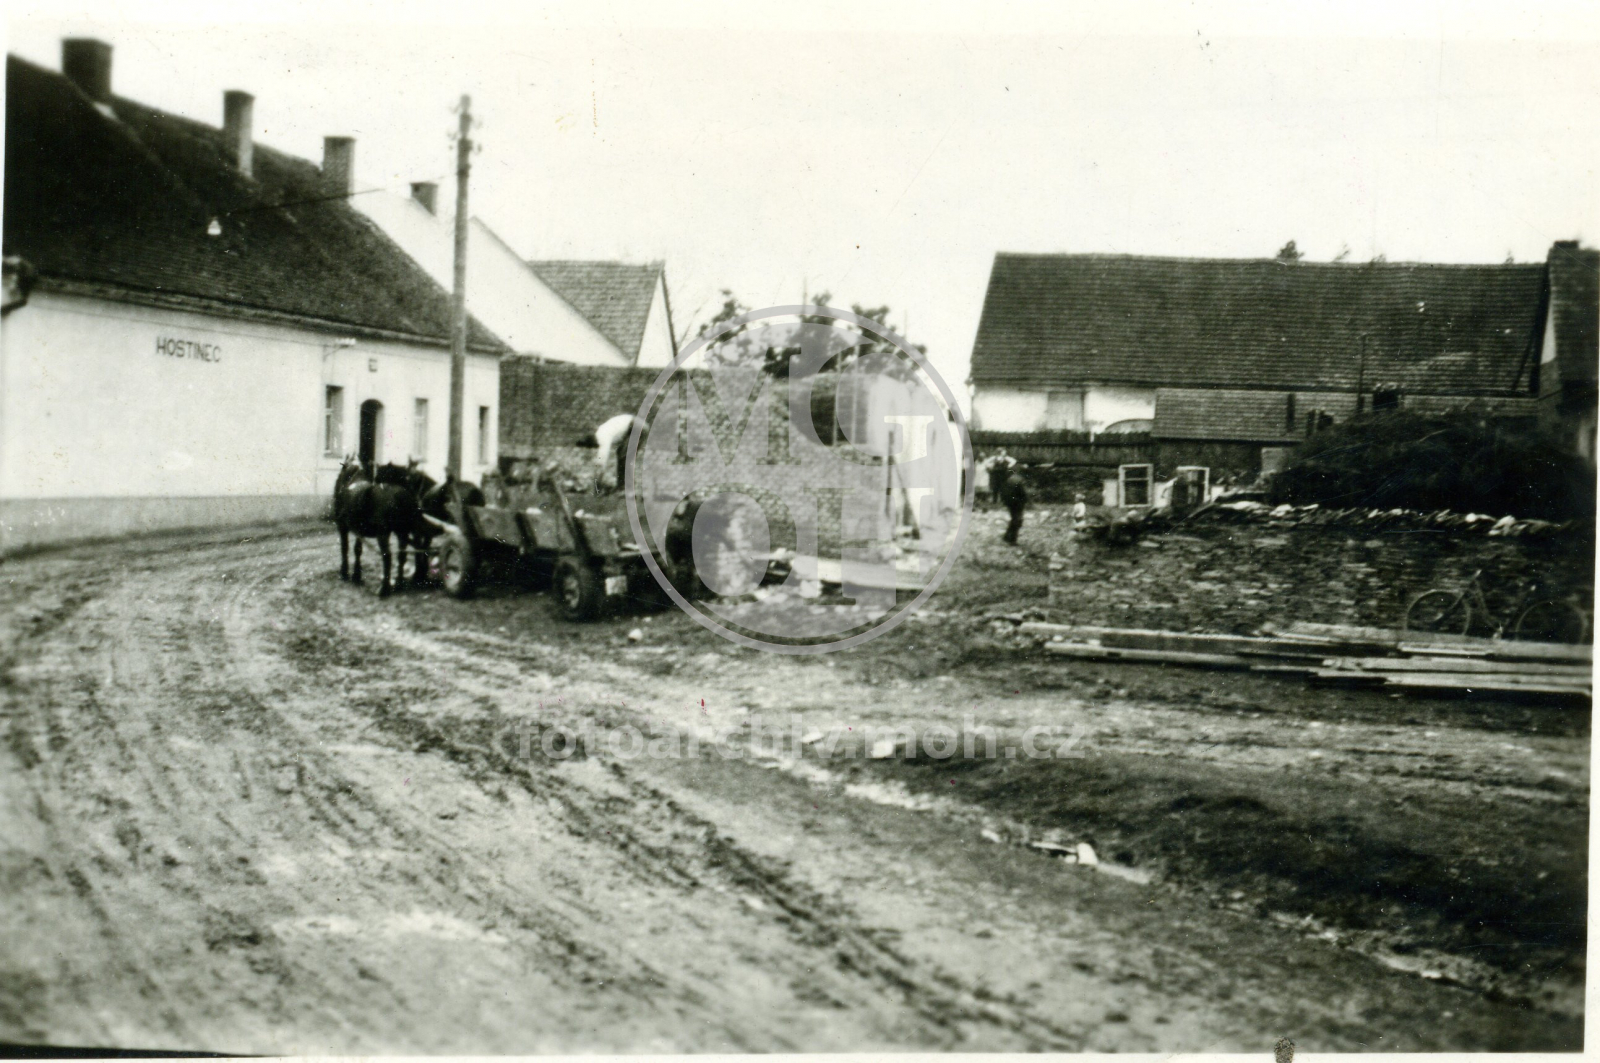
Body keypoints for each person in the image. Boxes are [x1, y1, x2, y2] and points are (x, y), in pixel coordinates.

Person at [1000, 468, 1029, 545]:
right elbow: (1024, 493)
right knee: (1018, 520)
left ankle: (1007, 536)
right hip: (1018, 503)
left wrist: (1005, 501)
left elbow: (1003, 492)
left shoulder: (1009, 479)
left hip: (1010, 502)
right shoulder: (1020, 480)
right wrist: (1026, 501)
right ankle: (1012, 539)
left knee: (1014, 519)